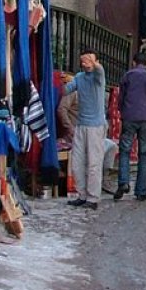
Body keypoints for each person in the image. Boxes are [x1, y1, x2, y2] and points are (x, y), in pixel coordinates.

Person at [116, 52, 146, 201]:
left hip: (129, 118)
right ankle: (141, 190)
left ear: (133, 62)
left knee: (125, 151)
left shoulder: (127, 76)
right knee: (143, 155)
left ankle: (123, 182)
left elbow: (120, 100)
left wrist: (124, 112)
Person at [64, 49, 106, 210]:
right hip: (81, 125)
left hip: (96, 125)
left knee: (94, 163)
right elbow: (67, 89)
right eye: (83, 60)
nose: (86, 63)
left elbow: (100, 71)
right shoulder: (79, 78)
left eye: (89, 60)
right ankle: (81, 195)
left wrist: (94, 64)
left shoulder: (98, 77)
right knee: (77, 162)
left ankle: (93, 198)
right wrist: (64, 82)